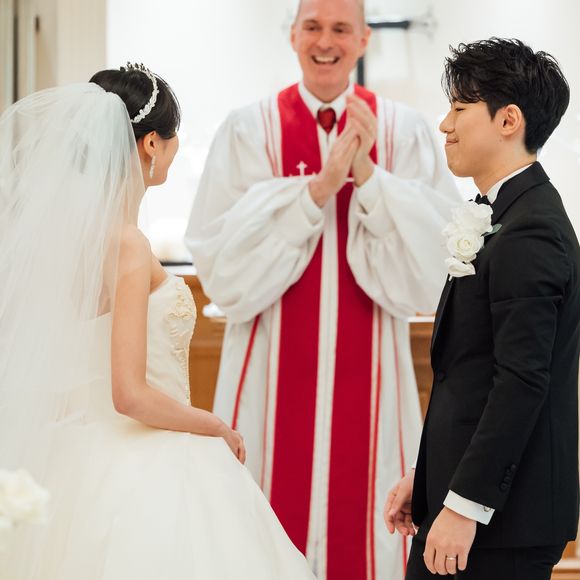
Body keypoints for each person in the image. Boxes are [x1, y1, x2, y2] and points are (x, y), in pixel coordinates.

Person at [0, 65, 316, 579]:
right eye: (173, 138)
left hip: (78, 454)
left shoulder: (75, 243)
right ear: (152, 144)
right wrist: (212, 424)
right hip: (145, 461)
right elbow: (129, 394)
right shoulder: (127, 244)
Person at [185, 0, 461, 577]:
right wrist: (315, 192)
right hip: (268, 368)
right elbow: (221, 265)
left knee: (370, 528)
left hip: (372, 368)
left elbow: (437, 264)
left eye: (340, 28)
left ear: (364, 39)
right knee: (256, 528)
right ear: (292, 35)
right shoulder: (248, 130)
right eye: (312, 27)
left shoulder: (403, 131)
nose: (325, 41)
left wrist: (369, 179)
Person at [385, 38, 580, 580]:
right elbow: (469, 374)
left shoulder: (531, 230)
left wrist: (464, 505)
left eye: (459, 108)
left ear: (508, 120)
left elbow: (521, 382)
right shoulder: (507, 214)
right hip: (470, 502)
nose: (444, 125)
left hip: (499, 521)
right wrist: (429, 477)